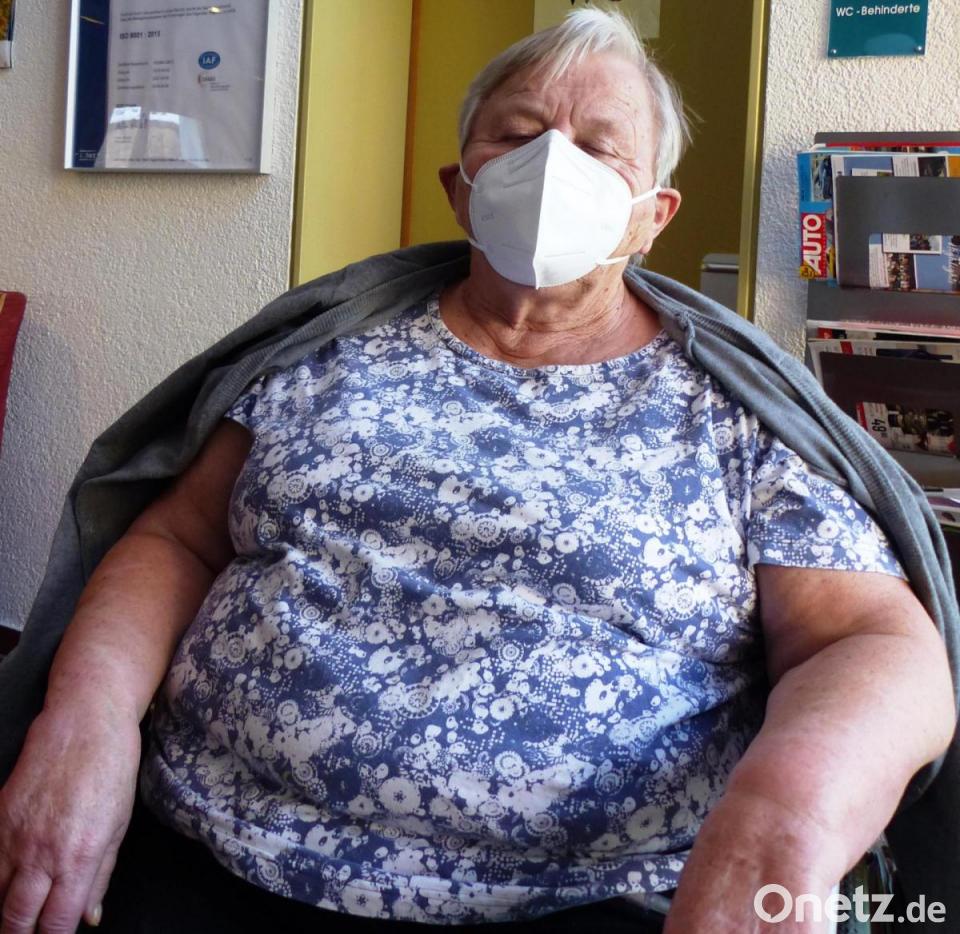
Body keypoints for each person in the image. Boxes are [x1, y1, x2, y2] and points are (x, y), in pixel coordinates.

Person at [0, 10, 956, 934]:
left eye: (601, 147)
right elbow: (175, 538)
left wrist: (780, 828)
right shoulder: (322, 358)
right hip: (212, 847)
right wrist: (87, 723)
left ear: (651, 217)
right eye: (519, 133)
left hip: (589, 901)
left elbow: (870, 642)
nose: (554, 164)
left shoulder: (732, 414)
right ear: (460, 189)